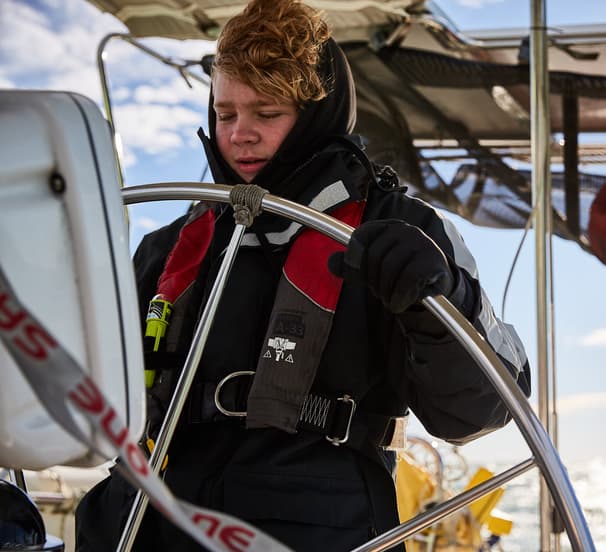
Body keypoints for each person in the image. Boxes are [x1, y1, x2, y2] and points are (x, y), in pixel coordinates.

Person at [75, 0, 530, 550]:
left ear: (318, 115)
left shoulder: (401, 232)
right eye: (225, 114)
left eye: (266, 114)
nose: (240, 133)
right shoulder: (170, 247)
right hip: (148, 521)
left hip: (316, 527)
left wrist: (436, 303)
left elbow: (481, 410)